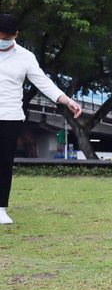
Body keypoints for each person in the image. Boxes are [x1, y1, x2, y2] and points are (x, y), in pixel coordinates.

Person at [0, 14, 82, 225]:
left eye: (6, 37)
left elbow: (43, 83)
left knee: (4, 163)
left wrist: (67, 101)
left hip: (9, 115)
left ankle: (1, 208)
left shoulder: (25, 57)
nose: (2, 40)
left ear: (16, 35)